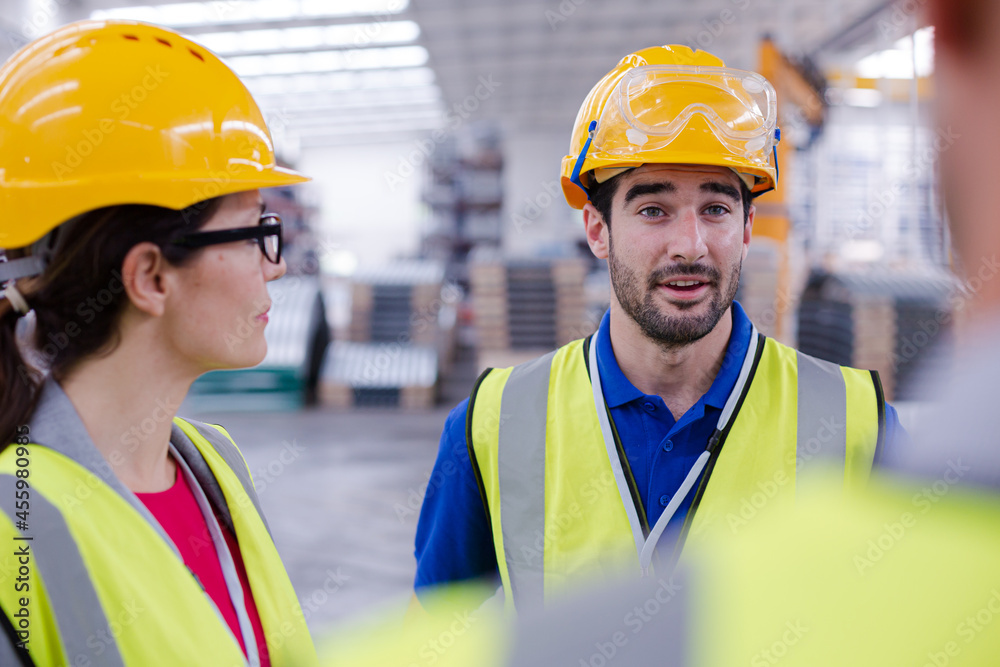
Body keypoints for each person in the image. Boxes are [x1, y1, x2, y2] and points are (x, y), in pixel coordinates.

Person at [412, 44, 906, 614]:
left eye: (716, 209)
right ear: (597, 229)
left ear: (748, 227)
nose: (690, 246)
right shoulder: (493, 425)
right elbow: (431, 641)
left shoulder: (857, 425)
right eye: (653, 210)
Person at [0, 20, 318, 666]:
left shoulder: (215, 463)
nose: (275, 263)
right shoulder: (14, 526)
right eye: (256, 230)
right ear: (149, 276)